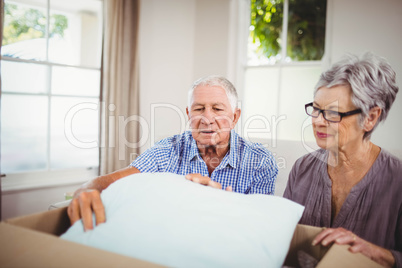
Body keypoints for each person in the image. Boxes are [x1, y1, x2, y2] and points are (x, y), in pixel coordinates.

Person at [68, 75, 278, 231]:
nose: (206, 118)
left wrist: (225, 205)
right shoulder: (167, 151)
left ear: (234, 117)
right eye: (198, 109)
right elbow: (113, 180)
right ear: (188, 114)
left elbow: (259, 226)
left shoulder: (260, 161)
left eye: (217, 108)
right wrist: (87, 189)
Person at [283, 53, 401, 267]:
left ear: (370, 118)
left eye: (333, 113)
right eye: (316, 109)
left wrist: (379, 254)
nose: (318, 121)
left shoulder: (398, 181)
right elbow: (281, 239)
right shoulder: (302, 169)